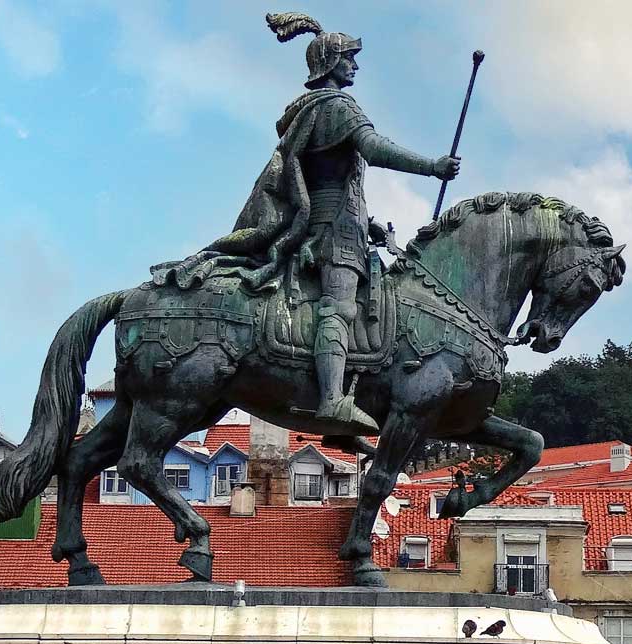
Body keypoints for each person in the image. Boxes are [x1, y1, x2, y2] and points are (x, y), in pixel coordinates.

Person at [154, 13, 458, 433]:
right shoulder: (336, 107)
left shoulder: (311, 112)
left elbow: (333, 185)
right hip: (333, 236)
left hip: (340, 225)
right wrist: (432, 167)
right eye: (350, 57)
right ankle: (332, 398)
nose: (355, 66)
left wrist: (370, 227)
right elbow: (373, 148)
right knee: (340, 307)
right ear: (332, 61)